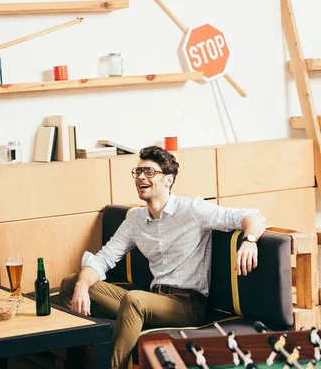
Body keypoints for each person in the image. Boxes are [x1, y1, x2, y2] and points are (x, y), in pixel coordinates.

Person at [59, 146, 266, 369]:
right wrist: (82, 285)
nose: (140, 178)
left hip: (186, 305)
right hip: (151, 300)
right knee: (72, 283)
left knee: (134, 300)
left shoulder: (192, 210)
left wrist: (250, 241)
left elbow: (251, 215)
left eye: (149, 172)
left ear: (168, 180)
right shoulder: (136, 221)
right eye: (137, 172)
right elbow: (104, 259)